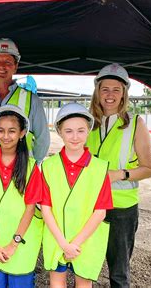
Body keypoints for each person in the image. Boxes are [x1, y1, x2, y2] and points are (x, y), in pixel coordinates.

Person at [87, 63, 151, 288]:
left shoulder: (135, 124)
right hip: (90, 205)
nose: (110, 95)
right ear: (97, 91)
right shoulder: (87, 123)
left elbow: (148, 169)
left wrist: (120, 174)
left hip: (121, 209)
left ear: (124, 93)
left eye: (116, 89)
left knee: (118, 273)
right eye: (105, 89)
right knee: (87, 267)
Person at [0, 38, 50, 212]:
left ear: (15, 66)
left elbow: (42, 140)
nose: (2, 66)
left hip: (21, 178)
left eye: (8, 62)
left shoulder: (31, 100)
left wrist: (28, 166)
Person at [41, 103, 113, 287]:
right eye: (69, 131)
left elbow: (100, 212)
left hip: (86, 241)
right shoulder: (49, 167)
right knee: (57, 282)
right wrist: (64, 244)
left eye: (81, 131)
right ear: (60, 132)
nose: (75, 137)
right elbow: (46, 209)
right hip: (57, 238)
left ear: (89, 131)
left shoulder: (99, 168)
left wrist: (74, 244)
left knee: (84, 283)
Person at [0, 104, 43, 288]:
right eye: (1, 130)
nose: (5, 136)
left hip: (20, 245)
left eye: (12, 131)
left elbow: (30, 208)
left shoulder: (32, 167)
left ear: (22, 133)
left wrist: (14, 243)